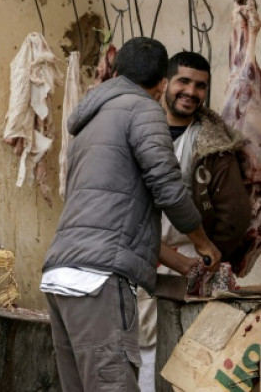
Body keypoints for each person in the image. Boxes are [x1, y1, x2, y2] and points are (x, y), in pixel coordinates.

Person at [40, 38, 222, 392]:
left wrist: (185, 266)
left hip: (61, 274)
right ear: (161, 84)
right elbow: (168, 185)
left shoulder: (91, 122)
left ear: (118, 71)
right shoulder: (144, 110)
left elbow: (116, 217)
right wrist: (203, 243)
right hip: (97, 281)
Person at [136, 51, 252, 391]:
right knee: (138, 347)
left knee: (183, 351)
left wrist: (207, 261)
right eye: (183, 81)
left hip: (189, 265)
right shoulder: (141, 128)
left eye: (200, 85)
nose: (191, 91)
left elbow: (235, 214)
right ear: (165, 84)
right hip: (138, 258)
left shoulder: (214, 145)